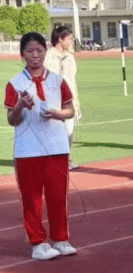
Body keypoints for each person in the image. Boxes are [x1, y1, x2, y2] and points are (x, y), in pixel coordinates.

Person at [5, 31, 77, 259]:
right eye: (30, 51)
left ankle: (61, 238)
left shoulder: (57, 80)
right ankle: (38, 243)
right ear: (22, 54)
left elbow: (70, 110)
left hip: (57, 147)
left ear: (45, 52)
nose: (35, 55)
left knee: (58, 197)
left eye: (39, 50)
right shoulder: (14, 83)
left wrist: (57, 113)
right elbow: (11, 120)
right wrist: (19, 106)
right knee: (32, 199)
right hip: (28, 151)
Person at [44, 24, 81, 167]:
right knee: (53, 133)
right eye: (69, 38)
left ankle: (67, 160)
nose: (71, 41)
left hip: (69, 101)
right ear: (60, 39)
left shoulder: (70, 57)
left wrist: (76, 103)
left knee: (69, 132)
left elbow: (73, 80)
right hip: (53, 102)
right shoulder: (48, 56)